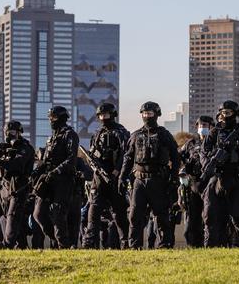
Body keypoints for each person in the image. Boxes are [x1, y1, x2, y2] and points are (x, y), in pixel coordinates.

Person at [120, 101, 179, 249]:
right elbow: (128, 158)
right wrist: (122, 177)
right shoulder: (135, 135)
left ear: (156, 114)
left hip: (158, 180)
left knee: (161, 216)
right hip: (139, 180)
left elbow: (176, 158)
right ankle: (135, 247)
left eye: (150, 113)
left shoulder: (164, 135)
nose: (147, 116)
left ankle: (164, 246)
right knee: (135, 216)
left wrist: (173, 177)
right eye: (145, 114)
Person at [201, 100, 239, 247]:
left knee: (238, 215)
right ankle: (210, 247)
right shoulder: (215, 131)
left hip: (235, 177)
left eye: (228, 113)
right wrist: (211, 161)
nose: (225, 116)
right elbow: (204, 151)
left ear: (235, 114)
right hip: (216, 177)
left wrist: (238, 145)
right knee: (210, 214)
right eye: (223, 113)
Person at [82, 103, 130, 249]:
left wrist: (117, 171)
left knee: (119, 214)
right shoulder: (97, 133)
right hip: (99, 179)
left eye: (106, 115)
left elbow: (126, 155)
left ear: (113, 115)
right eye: (101, 116)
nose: (103, 118)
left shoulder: (121, 132)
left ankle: (125, 243)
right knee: (93, 210)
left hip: (115, 178)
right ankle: (89, 243)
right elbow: (91, 155)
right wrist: (94, 168)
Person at [32, 107, 79, 249]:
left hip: (63, 181)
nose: (51, 120)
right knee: (38, 214)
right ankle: (57, 240)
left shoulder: (70, 135)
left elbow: (72, 159)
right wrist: (37, 171)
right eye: (49, 118)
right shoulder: (51, 137)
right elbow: (46, 160)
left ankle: (63, 246)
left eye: (54, 117)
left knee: (59, 215)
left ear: (62, 118)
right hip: (48, 181)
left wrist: (56, 171)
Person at [0, 121, 35, 248]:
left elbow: (17, 165)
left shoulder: (25, 148)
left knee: (12, 215)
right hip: (4, 187)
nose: (9, 135)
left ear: (19, 133)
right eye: (7, 132)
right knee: (5, 217)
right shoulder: (3, 147)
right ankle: (20, 245)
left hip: (19, 187)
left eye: (12, 132)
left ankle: (7, 244)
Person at [177, 115, 214, 247]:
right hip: (193, 185)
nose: (202, 128)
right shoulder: (191, 144)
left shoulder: (215, 143)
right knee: (192, 219)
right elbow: (179, 159)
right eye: (200, 126)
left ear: (211, 127)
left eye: (205, 126)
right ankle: (193, 246)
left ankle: (209, 245)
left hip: (211, 185)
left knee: (209, 217)